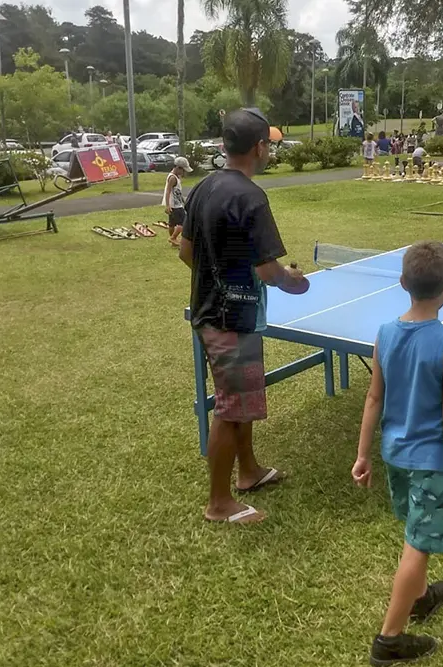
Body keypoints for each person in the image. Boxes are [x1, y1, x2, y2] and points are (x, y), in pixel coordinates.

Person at [179, 108, 306, 524]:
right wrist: (296, 282)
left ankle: (248, 472)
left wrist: (219, 279)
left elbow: (186, 252)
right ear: (260, 148)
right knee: (232, 408)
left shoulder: (202, 188)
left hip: (212, 310)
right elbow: (271, 272)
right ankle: (218, 503)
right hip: (230, 319)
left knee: (243, 400)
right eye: (268, 144)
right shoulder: (252, 197)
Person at [352, 241, 443, 667]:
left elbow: (373, 398)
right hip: (429, 461)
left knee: (415, 530)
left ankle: (420, 597)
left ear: (403, 283)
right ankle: (389, 640)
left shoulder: (384, 334)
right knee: (417, 543)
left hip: (394, 455)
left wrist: (363, 454)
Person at [163, 157, 192, 247]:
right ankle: (173, 238)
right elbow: (168, 191)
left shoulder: (174, 176)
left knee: (172, 223)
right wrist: (167, 205)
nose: (183, 173)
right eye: (183, 170)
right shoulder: (173, 178)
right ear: (178, 168)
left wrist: (184, 201)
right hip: (175, 205)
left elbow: (178, 192)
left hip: (175, 203)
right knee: (183, 223)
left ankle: (173, 240)